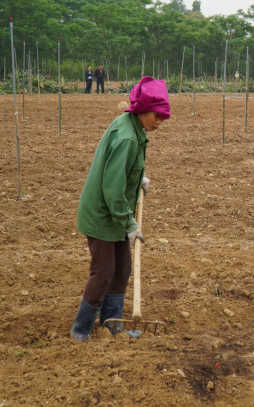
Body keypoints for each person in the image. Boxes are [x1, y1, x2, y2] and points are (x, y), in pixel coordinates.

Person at [71, 76, 170, 341]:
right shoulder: (128, 137)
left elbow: (122, 171)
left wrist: (139, 180)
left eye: (163, 118)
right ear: (142, 110)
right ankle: (80, 331)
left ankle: (112, 325)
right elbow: (113, 189)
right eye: (156, 116)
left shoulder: (133, 126)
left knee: (122, 269)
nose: (159, 123)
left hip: (115, 214)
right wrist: (129, 223)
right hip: (104, 216)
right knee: (103, 273)